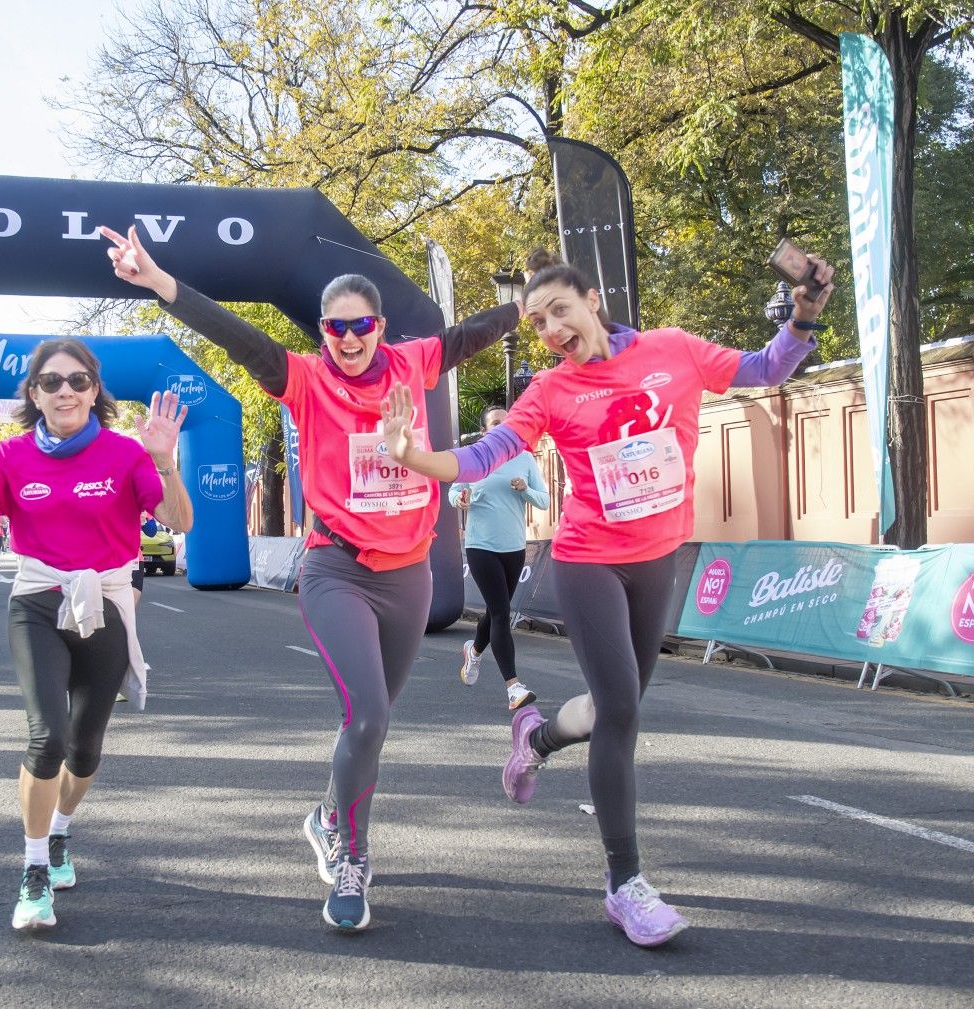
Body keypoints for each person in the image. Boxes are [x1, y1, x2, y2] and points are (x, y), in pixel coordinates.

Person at [379, 248, 833, 947]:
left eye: (558, 309)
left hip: (658, 558)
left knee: (610, 709)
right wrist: (412, 453)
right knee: (621, 707)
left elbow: (763, 369)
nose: (550, 328)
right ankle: (625, 883)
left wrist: (802, 315)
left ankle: (537, 736)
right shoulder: (551, 392)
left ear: (592, 299)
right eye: (535, 322)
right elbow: (480, 457)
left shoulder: (672, 349)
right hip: (590, 560)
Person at [102, 223, 522, 931]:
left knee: (370, 728)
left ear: (379, 327)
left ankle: (327, 810)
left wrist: (531, 304)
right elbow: (233, 332)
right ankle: (351, 855)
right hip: (336, 569)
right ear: (323, 331)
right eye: (336, 327)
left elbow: (471, 334)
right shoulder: (301, 378)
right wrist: (158, 281)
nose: (349, 337)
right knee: (367, 714)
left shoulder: (412, 362)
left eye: (360, 325)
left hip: (408, 574)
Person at [0, 339, 193, 933]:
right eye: (51, 383)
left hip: (105, 599)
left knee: (83, 750)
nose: (65, 392)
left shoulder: (127, 454)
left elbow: (180, 522)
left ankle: (59, 832)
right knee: (46, 737)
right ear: (34, 394)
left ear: (94, 390)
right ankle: (32, 871)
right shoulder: (12, 455)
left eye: (78, 381)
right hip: (37, 600)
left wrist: (165, 461)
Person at [449, 405, 549, 710]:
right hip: (481, 547)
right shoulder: (475, 457)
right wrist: (460, 499)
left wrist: (526, 489)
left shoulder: (524, 458)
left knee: (496, 611)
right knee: (502, 612)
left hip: (514, 547)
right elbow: (453, 493)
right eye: (495, 423)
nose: (502, 427)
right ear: (484, 431)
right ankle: (513, 687)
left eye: (506, 423)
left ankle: (475, 651)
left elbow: (544, 500)